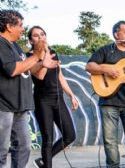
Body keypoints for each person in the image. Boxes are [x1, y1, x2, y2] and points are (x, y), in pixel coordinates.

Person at [86, 20, 125, 167]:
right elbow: (89, 66)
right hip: (108, 102)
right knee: (110, 141)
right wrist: (106, 69)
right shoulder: (105, 50)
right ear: (116, 34)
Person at [0, 10, 58, 168]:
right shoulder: (1, 44)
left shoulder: (15, 47)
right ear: (9, 26)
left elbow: (26, 69)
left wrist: (41, 64)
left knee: (24, 147)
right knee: (2, 151)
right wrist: (37, 55)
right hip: (4, 108)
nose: (23, 29)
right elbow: (12, 70)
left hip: (20, 107)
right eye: (20, 25)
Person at [26, 26, 79, 168]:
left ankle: (43, 161)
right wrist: (44, 58)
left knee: (70, 135)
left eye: (42, 34)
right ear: (31, 40)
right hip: (43, 101)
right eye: (36, 36)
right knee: (48, 138)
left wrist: (71, 95)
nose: (41, 37)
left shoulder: (53, 53)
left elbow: (60, 75)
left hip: (58, 99)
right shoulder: (29, 57)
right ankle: (46, 164)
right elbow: (41, 76)